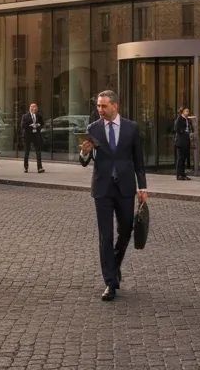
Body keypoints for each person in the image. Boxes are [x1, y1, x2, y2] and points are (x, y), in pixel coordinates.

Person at [79, 89, 148, 301]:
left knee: (126, 230)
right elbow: (83, 161)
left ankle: (114, 264)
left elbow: (139, 160)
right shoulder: (93, 128)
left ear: (115, 106)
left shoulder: (131, 128)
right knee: (105, 236)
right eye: (98, 106)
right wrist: (85, 152)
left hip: (126, 188)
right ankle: (110, 282)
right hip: (102, 189)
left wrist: (142, 188)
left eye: (104, 106)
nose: (100, 109)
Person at [20, 102, 45, 173]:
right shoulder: (25, 116)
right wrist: (30, 126)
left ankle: (39, 168)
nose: (34, 108)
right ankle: (26, 167)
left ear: (37, 108)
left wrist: (38, 125)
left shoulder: (39, 116)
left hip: (36, 135)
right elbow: (22, 125)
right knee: (27, 152)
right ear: (30, 108)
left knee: (38, 152)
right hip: (28, 136)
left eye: (35, 107)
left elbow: (42, 123)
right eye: (32, 107)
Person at [172, 106, 192, 180]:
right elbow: (176, 129)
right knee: (180, 158)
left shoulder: (187, 119)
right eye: (186, 111)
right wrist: (184, 132)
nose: (188, 112)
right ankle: (179, 175)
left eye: (188, 111)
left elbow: (189, 128)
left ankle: (183, 174)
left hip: (186, 141)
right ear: (182, 111)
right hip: (180, 142)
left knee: (184, 158)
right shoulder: (179, 119)